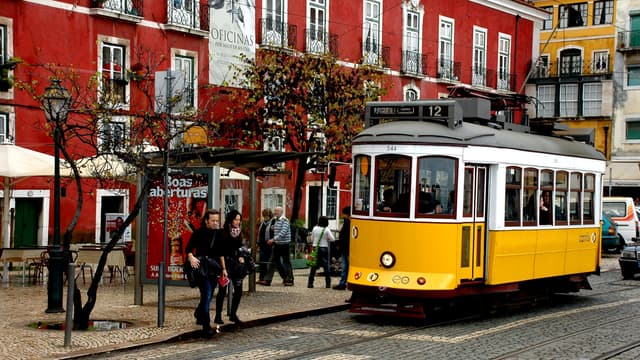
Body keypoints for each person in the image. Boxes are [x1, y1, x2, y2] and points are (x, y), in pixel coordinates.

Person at [185, 209, 224, 338]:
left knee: (208, 294)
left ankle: (199, 313)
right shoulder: (199, 232)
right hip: (202, 269)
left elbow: (221, 253)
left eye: (217, 221)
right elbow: (189, 248)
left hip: (213, 268)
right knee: (207, 294)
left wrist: (223, 269)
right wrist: (191, 257)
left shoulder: (219, 234)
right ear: (206, 220)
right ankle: (206, 326)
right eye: (212, 220)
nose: (215, 223)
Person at [213, 209, 246, 324]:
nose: (238, 222)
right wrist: (223, 268)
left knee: (238, 290)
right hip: (224, 263)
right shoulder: (222, 233)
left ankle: (233, 314)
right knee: (222, 291)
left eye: (239, 220)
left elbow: (240, 246)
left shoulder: (238, 232)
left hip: (236, 265)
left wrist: (241, 256)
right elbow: (220, 251)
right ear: (230, 220)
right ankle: (218, 315)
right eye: (235, 219)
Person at [259, 206, 294, 286]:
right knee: (272, 262)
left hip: (284, 244)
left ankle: (289, 280)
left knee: (286, 262)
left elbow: (283, 232)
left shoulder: (285, 220)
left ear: (281, 212)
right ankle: (267, 280)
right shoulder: (276, 220)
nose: (275, 212)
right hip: (277, 245)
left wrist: (273, 240)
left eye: (276, 211)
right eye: (275, 211)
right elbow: (278, 230)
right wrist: (273, 228)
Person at [307, 216, 335, 288]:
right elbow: (333, 239)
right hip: (324, 248)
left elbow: (312, 238)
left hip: (315, 248)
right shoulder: (326, 229)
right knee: (326, 267)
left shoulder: (315, 228)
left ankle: (310, 283)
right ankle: (328, 283)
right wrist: (327, 239)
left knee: (313, 266)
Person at [333, 207, 351, 290]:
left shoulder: (348, 223)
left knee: (345, 266)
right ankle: (344, 282)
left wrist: (340, 244)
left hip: (345, 248)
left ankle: (343, 283)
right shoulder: (348, 222)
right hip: (346, 247)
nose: (341, 215)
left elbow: (344, 236)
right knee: (346, 266)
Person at [257, 208, 273, 283]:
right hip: (262, 245)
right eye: (264, 216)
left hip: (269, 246)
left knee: (269, 263)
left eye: (266, 216)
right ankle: (261, 278)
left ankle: (266, 278)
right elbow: (259, 234)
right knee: (262, 261)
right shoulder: (262, 224)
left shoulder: (273, 223)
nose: (265, 218)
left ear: (270, 216)